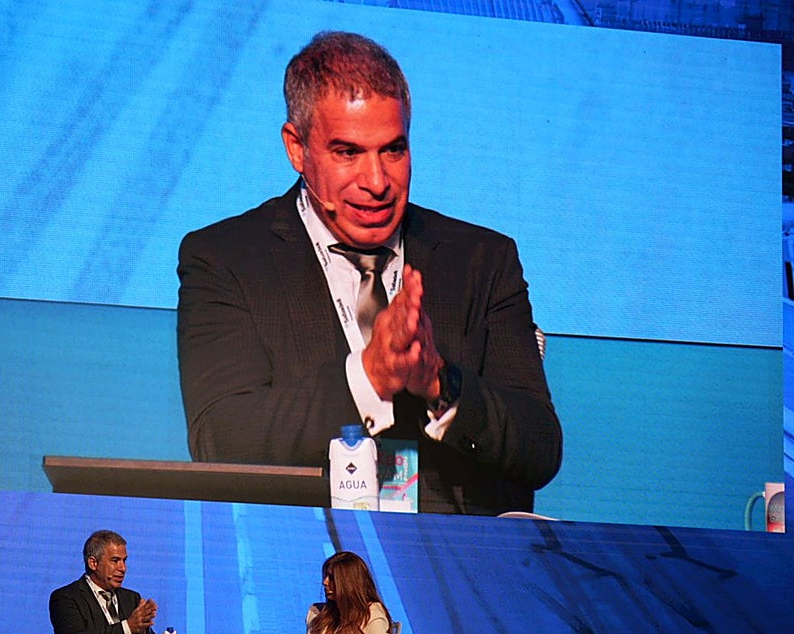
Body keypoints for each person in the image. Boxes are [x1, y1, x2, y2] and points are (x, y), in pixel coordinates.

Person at [177, 31, 562, 515]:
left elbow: (540, 447)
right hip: (304, 557)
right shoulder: (225, 257)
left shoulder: (482, 259)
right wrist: (368, 377)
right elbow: (221, 437)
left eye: (393, 150)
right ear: (297, 149)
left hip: (450, 564)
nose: (377, 182)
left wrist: (442, 384)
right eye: (347, 152)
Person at [49, 529, 159, 634]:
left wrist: (143, 632)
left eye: (124, 560)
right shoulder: (66, 597)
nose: (123, 568)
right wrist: (128, 627)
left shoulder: (132, 598)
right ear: (93, 563)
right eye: (115, 560)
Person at [306, 551, 393, 634]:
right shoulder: (316, 614)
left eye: (332, 578)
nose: (325, 582)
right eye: (326, 576)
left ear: (348, 583)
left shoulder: (371, 614)